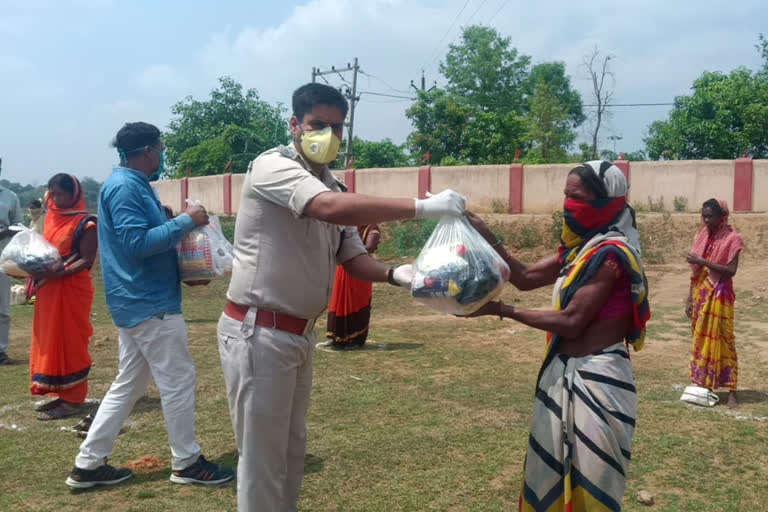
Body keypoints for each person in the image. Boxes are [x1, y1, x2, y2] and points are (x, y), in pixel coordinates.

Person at [217, 82, 466, 511]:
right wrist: (426, 207)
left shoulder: (332, 183)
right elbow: (326, 208)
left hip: (298, 336)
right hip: (259, 332)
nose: (329, 135)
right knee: (263, 463)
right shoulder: (271, 167)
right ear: (295, 125)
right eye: (318, 124)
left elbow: (353, 259)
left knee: (292, 455)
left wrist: (397, 275)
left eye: (337, 127)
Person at [466, 161, 650, 512]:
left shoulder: (611, 253)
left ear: (606, 202)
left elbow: (571, 321)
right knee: (547, 476)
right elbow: (523, 277)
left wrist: (501, 311)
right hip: (562, 376)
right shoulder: (580, 249)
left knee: (593, 489)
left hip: (598, 382)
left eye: (576, 197)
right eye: (565, 196)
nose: (567, 205)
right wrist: (484, 232)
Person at [66, 122, 234, 489]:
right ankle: (187, 462)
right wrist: (187, 221)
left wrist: (186, 261)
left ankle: (88, 464)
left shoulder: (130, 185)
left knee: (129, 383)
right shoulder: (126, 187)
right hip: (149, 303)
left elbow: (144, 244)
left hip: (139, 299)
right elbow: (138, 244)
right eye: (159, 148)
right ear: (146, 151)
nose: (161, 155)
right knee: (178, 381)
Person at [30, 175, 97, 421]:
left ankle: (74, 398)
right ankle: (60, 392)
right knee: (51, 339)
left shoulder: (86, 222)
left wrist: (60, 273)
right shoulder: (51, 219)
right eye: (52, 193)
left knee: (70, 341)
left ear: (74, 194)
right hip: (49, 291)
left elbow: (87, 260)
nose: (56, 198)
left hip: (71, 290)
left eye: (61, 194)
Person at [685, 198, 743, 409]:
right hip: (701, 292)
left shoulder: (733, 239)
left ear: (722, 216)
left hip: (721, 294)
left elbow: (731, 271)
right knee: (701, 339)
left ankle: (732, 391)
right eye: (704, 216)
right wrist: (690, 297)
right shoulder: (702, 237)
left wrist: (702, 262)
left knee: (724, 339)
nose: (707, 220)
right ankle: (704, 385)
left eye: (711, 216)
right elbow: (696, 273)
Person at [319, 224, 381, 350]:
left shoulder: (371, 227)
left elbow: (370, 247)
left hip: (360, 273)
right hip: (343, 270)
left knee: (354, 304)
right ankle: (337, 337)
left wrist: (349, 251)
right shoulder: (348, 226)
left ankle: (354, 339)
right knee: (338, 303)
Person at [0, 156, 23, 365]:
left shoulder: (10, 196)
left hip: (2, 256)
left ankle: (0, 351)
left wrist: (6, 230)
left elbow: (19, 225)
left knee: (2, 307)